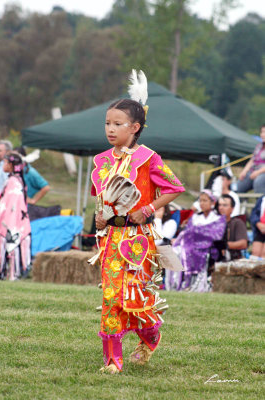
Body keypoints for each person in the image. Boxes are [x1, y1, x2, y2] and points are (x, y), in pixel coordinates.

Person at [90, 70, 185, 374]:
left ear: (135, 126)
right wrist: (100, 218)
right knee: (110, 296)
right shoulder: (102, 160)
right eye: (107, 123)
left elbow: (174, 188)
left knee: (135, 296)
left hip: (138, 241)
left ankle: (150, 337)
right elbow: (100, 197)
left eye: (117, 124)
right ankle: (112, 361)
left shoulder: (148, 158)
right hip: (110, 239)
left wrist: (147, 208)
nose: (110, 128)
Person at [174, 190, 226, 292]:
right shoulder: (195, 217)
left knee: (192, 252)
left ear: (212, 203)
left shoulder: (218, 218)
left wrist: (197, 232)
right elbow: (188, 233)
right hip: (191, 245)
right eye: (200, 200)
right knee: (177, 251)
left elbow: (217, 235)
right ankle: (179, 284)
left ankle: (196, 284)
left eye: (205, 200)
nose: (202, 203)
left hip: (210, 248)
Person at [0, 152, 31, 280]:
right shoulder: (14, 180)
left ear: (12, 165)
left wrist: (8, 223)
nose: (3, 165)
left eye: (6, 163)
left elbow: (13, 207)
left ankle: (11, 273)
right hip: (10, 222)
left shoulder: (14, 182)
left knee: (10, 247)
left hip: (11, 223)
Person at [154, 205, 178, 290]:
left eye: (159, 209)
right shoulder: (147, 222)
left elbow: (159, 241)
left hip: (162, 251)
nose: (156, 211)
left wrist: (158, 219)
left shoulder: (171, 223)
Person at [217, 194, 248, 260]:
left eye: (225, 205)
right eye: (219, 205)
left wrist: (224, 246)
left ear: (232, 209)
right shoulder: (212, 223)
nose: (221, 208)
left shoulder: (237, 223)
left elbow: (243, 244)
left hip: (232, 259)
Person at [237, 124, 265, 194]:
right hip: (253, 171)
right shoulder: (259, 146)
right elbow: (252, 160)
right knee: (240, 183)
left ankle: (260, 202)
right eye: (261, 132)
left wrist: (258, 172)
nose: (262, 134)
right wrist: (244, 171)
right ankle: (240, 203)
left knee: (258, 182)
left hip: (262, 172)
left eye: (264, 132)